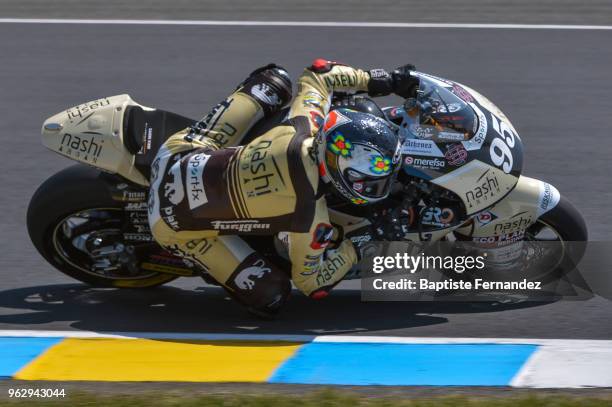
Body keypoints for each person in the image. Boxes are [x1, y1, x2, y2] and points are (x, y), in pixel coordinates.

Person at [147, 59, 416, 316]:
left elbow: (319, 73)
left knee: (274, 80)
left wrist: (383, 80)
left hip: (180, 152)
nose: (379, 184)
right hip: (171, 224)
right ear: (341, 173)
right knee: (272, 294)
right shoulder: (309, 215)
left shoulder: (305, 124)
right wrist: (362, 241)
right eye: (373, 178)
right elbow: (311, 283)